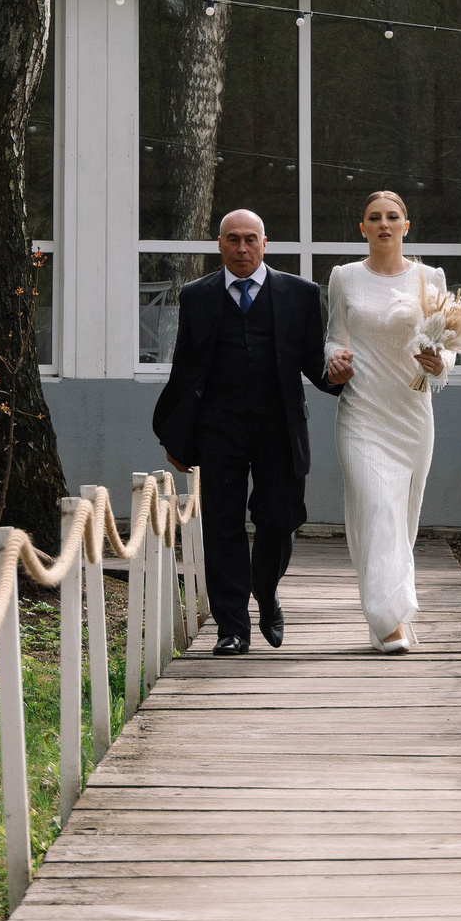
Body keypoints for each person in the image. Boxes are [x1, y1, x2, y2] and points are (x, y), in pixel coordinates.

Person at [153, 209, 351, 656]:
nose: (242, 248)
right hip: (218, 429)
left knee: (280, 521)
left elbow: (315, 366)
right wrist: (175, 436)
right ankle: (232, 626)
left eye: (250, 239)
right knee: (222, 525)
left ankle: (267, 591)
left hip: (280, 427)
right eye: (232, 240)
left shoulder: (300, 293)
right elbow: (184, 370)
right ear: (219, 244)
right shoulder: (197, 295)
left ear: (265, 243)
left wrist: (335, 374)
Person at [321, 191, 451, 651]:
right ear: (362, 228)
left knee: (402, 521)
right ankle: (388, 622)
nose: (383, 224)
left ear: (405, 225)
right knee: (376, 510)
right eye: (374, 218)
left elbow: (446, 342)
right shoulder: (345, 277)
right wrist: (334, 358)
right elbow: (334, 336)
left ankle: (392, 607)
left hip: (412, 414)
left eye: (392, 217)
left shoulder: (430, 277)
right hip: (361, 413)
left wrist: (441, 364)